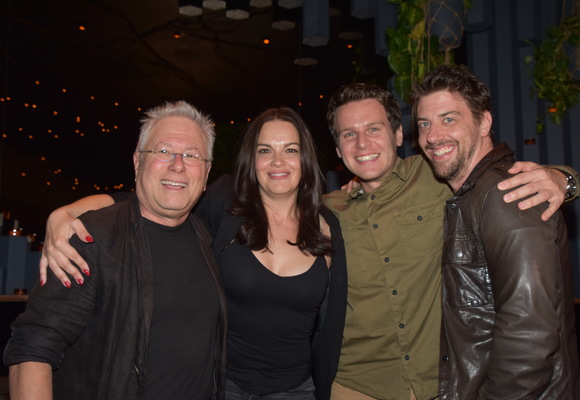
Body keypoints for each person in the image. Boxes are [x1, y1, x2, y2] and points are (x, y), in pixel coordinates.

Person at [36, 107, 347, 400]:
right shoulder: (226, 204)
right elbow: (150, 197)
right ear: (251, 161)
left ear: (305, 158)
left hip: (297, 390)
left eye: (290, 150)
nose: (278, 161)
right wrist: (68, 212)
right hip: (224, 386)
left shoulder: (328, 227)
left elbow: (331, 322)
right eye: (264, 150)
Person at [323, 82, 579, 400]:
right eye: (349, 134)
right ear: (337, 149)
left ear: (399, 136)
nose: (362, 144)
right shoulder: (328, 210)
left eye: (374, 128)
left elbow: (500, 175)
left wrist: (562, 178)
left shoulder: (439, 175)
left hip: (441, 386)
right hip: (357, 385)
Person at [3, 100, 227, 400]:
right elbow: (33, 349)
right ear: (138, 162)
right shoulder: (90, 238)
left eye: (192, 155)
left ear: (207, 171)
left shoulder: (206, 236)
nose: (178, 164)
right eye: (163, 151)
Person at [411, 64, 580, 399]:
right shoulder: (468, 196)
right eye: (424, 124)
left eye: (449, 119)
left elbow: (530, 335)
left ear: (484, 122)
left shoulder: (508, 194)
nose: (433, 135)